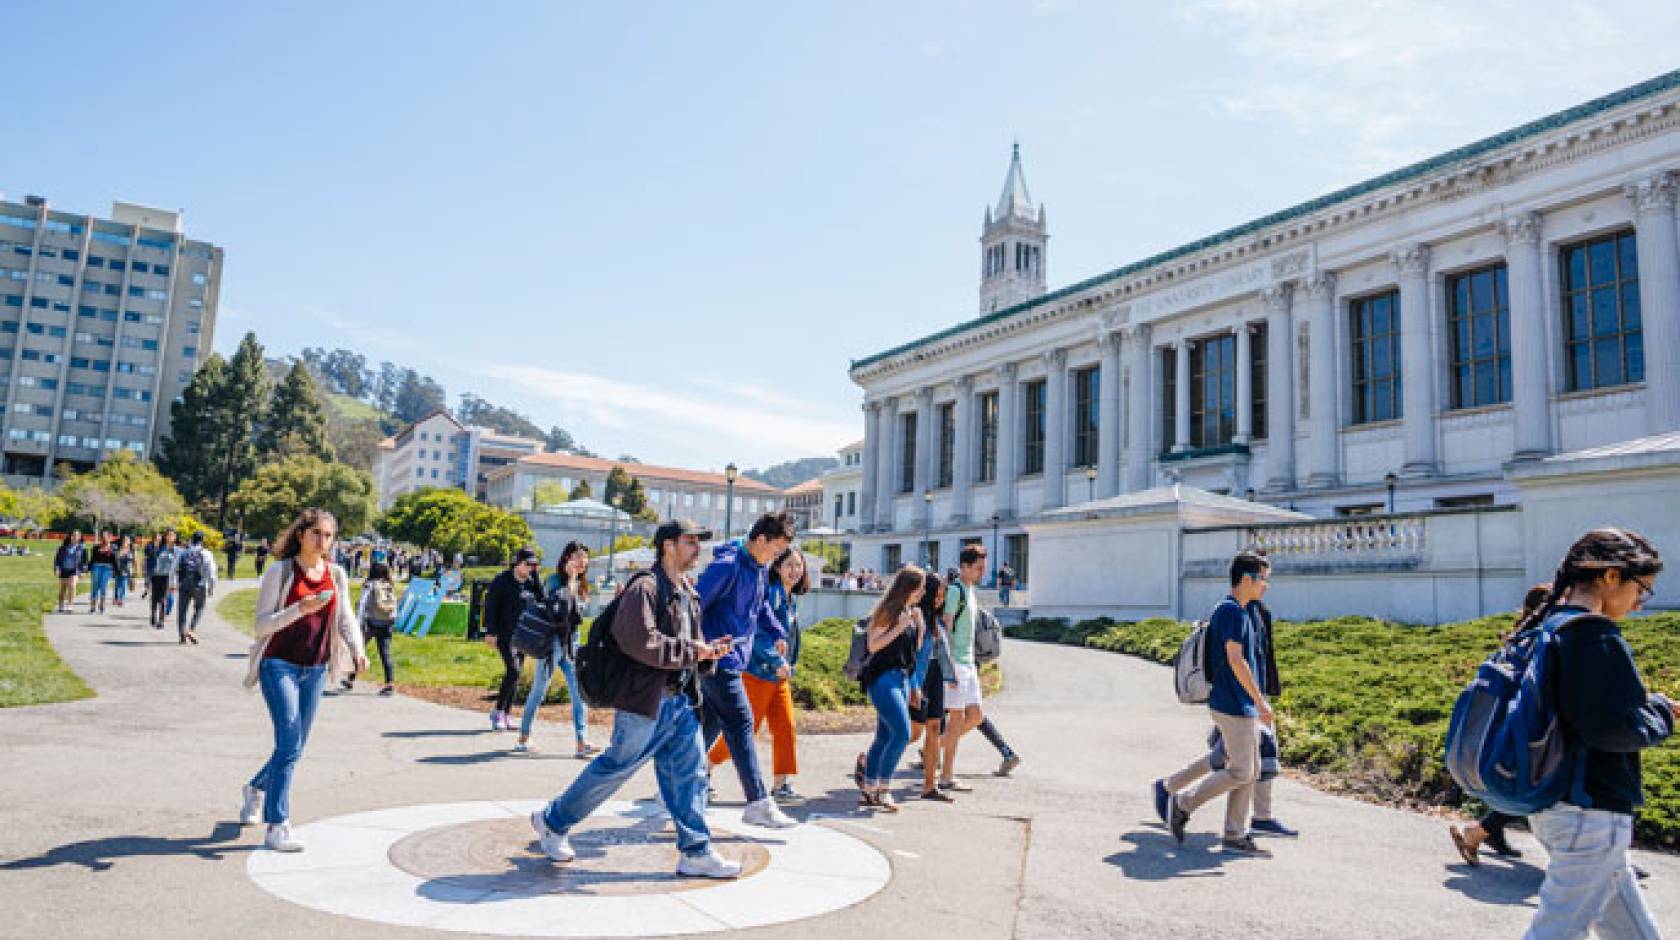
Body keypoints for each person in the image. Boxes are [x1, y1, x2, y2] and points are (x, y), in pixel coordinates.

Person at [530, 519, 745, 879]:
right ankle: (552, 821)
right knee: (615, 768)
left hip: (680, 702)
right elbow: (640, 641)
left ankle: (696, 851)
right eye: (690, 541)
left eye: (698, 542)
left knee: (689, 775)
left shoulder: (688, 590)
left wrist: (706, 653)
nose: (697, 549)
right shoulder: (644, 587)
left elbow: (684, 648)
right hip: (646, 701)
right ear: (668, 546)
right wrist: (693, 650)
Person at [1517, 528, 1673, 939]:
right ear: (1609, 577)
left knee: (1632, 932)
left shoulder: (1553, 626)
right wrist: (1663, 715)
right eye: (1642, 589)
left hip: (1558, 804)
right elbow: (1613, 729)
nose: (1640, 604)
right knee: (1556, 931)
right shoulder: (1593, 634)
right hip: (1590, 810)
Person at [239, 508, 367, 852]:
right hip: (278, 665)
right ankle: (277, 824)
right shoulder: (280, 572)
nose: (322, 542)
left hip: (315, 669)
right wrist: (300, 608)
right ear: (301, 534)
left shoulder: (336, 575)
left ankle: (255, 788)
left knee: (293, 746)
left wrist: (358, 650)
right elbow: (262, 626)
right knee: (290, 743)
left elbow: (346, 618)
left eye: (328, 536)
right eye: (316, 534)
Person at [1154, 550, 1275, 856]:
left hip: (1239, 703)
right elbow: (1236, 661)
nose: (1266, 586)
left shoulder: (1241, 611)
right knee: (1241, 771)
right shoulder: (1231, 612)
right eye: (1263, 579)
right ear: (1247, 579)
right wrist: (1260, 702)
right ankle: (1182, 804)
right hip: (1233, 704)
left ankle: (1234, 834)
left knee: (1250, 769)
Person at [697, 512, 799, 829]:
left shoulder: (756, 568)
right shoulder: (727, 566)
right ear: (759, 540)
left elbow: (761, 608)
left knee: (709, 727)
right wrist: (701, 645)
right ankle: (757, 801)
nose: (777, 557)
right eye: (775, 549)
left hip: (733, 658)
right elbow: (693, 605)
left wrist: (778, 633)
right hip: (718, 659)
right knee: (741, 722)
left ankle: (676, 785)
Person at [1449, 582, 1555, 866]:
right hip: (1522, 728)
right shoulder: (1539, 641)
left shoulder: (1521, 637)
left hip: (1510, 729)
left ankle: (1483, 831)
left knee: (1530, 784)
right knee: (1534, 784)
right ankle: (1479, 831)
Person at [708, 548, 810, 802]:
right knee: (744, 730)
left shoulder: (789, 598)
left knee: (785, 725)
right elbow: (760, 634)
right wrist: (776, 660)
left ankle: (782, 782)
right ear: (777, 567)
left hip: (778, 675)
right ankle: (704, 764)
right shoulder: (772, 595)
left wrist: (786, 664)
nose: (795, 571)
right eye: (789, 565)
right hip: (759, 673)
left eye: (799, 566)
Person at [938, 546, 1020, 788]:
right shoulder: (955, 591)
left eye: (983, 567)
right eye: (978, 568)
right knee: (956, 720)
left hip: (969, 662)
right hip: (957, 664)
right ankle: (946, 775)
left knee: (975, 717)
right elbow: (946, 628)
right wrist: (950, 666)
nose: (982, 572)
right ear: (964, 567)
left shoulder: (971, 591)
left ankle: (935, 747)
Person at [857, 565, 933, 811]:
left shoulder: (910, 613)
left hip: (900, 678)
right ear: (908, 588)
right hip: (882, 679)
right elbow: (874, 644)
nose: (923, 592)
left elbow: (910, 652)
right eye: (920, 587)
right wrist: (901, 626)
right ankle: (884, 788)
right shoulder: (890, 611)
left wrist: (919, 629)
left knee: (884, 736)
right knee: (901, 732)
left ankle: (869, 788)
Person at [515, 542, 597, 757]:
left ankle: (582, 741)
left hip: (572, 644)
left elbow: (578, 613)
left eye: (585, 557)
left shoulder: (582, 584)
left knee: (579, 692)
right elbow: (560, 609)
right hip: (552, 645)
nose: (582, 561)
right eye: (578, 556)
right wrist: (570, 580)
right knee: (539, 690)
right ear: (567, 558)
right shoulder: (554, 580)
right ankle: (524, 736)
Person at [907, 571, 957, 802]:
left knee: (935, 729)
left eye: (942, 596)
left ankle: (930, 785)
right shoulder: (917, 619)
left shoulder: (937, 621)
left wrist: (951, 676)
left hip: (936, 677)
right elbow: (911, 656)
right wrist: (913, 685)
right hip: (920, 678)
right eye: (936, 595)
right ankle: (871, 761)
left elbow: (943, 653)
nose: (940, 600)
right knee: (912, 733)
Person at [482, 547, 544, 731]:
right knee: (514, 670)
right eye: (527, 564)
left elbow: (542, 600)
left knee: (515, 675)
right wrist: (490, 632)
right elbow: (490, 607)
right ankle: (498, 712)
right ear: (517, 563)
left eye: (533, 565)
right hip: (504, 634)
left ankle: (506, 714)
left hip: (523, 635)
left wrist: (538, 578)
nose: (529, 568)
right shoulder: (502, 581)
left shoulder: (531, 582)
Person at [352, 561, 399, 696]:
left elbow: (362, 604)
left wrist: (358, 621)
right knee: (385, 654)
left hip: (371, 623)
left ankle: (350, 677)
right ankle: (389, 683)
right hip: (387, 623)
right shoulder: (388, 585)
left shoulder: (369, 585)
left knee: (358, 650)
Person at [172, 531, 219, 645]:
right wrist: (211, 587)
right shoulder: (206, 553)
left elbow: (173, 568)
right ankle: (191, 629)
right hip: (199, 585)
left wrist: (171, 584)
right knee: (200, 607)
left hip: (183, 584)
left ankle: (182, 634)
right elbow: (211, 572)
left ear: (192, 540)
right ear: (202, 541)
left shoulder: (182, 552)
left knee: (182, 610)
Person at [147, 530, 180, 630]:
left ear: (175, 537)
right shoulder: (160, 547)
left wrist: (175, 580)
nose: (170, 537)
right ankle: (153, 615)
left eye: (172, 535)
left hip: (167, 576)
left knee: (163, 598)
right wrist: (148, 577)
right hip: (156, 575)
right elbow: (152, 561)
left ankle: (161, 620)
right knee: (154, 598)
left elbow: (178, 565)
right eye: (168, 535)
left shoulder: (176, 550)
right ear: (165, 537)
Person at [53, 531, 86, 614]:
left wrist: (83, 571)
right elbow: (57, 560)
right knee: (62, 589)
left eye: (77, 536)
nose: (75, 537)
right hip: (64, 570)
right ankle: (61, 605)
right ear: (70, 537)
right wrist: (57, 569)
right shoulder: (63, 547)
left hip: (74, 571)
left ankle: (70, 605)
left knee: (72, 586)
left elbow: (85, 561)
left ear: (79, 538)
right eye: (74, 535)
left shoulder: (82, 548)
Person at [86, 531, 116, 614]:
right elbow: (92, 559)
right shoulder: (96, 547)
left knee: (104, 587)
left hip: (107, 568)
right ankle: (92, 607)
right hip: (96, 567)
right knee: (94, 586)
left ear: (109, 538)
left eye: (106, 537)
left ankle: (102, 607)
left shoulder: (113, 548)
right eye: (102, 537)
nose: (104, 539)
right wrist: (88, 569)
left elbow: (114, 560)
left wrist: (115, 571)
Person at [112, 535, 134, 610]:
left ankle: (120, 599)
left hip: (126, 570)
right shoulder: (118, 549)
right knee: (117, 584)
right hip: (118, 569)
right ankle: (116, 598)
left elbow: (133, 560)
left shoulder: (131, 550)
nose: (126, 541)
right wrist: (122, 550)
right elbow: (116, 557)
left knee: (123, 585)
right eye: (125, 540)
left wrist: (133, 571)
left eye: (128, 540)